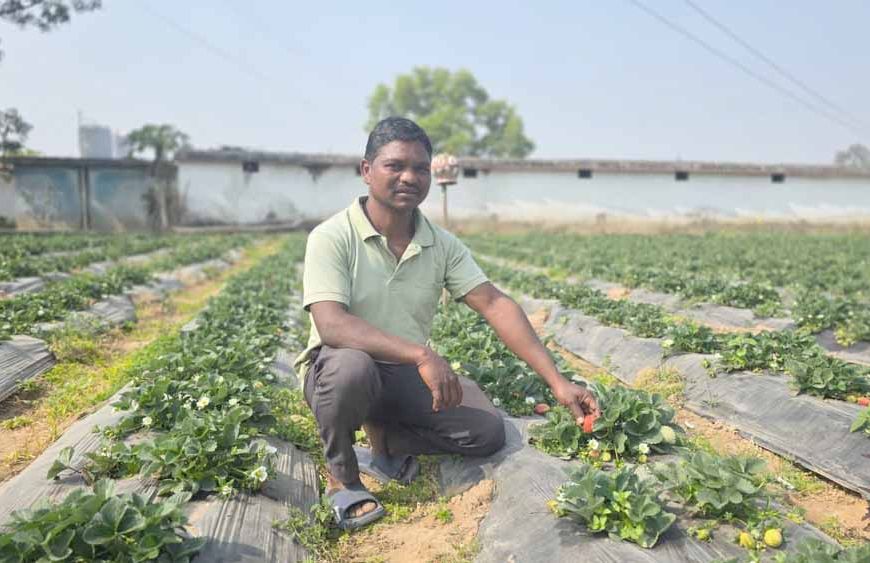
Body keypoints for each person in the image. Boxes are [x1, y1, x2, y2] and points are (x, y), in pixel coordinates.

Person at [294, 116, 600, 530]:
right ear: (366, 170)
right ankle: (342, 478)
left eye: (420, 168)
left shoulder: (440, 243)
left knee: (486, 432)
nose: (409, 177)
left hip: (400, 372)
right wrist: (422, 355)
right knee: (353, 367)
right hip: (337, 368)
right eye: (395, 165)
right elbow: (332, 325)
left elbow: (494, 303)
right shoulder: (332, 236)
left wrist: (558, 381)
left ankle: (383, 441)